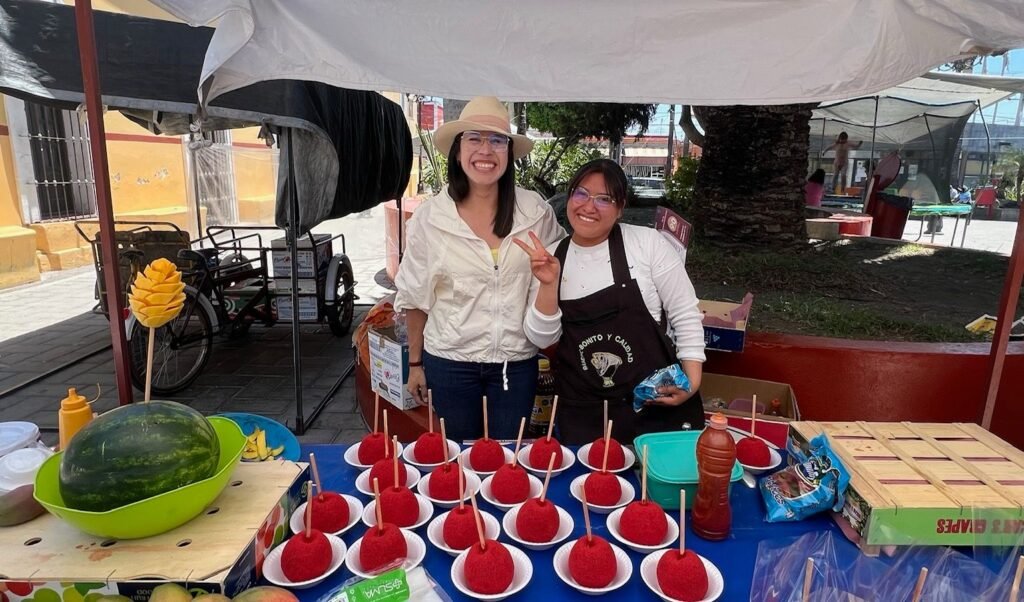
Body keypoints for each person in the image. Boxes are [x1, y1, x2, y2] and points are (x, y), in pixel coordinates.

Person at [393, 96, 565, 441]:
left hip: (515, 365)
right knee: (458, 461)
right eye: (474, 139)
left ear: (509, 153)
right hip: (449, 361)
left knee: (507, 457)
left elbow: (558, 275)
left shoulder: (535, 212)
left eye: (496, 140)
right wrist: (415, 365)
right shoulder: (432, 218)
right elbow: (414, 296)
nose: (485, 150)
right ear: (458, 151)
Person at [515, 159, 706, 444]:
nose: (589, 206)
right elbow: (542, 339)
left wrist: (691, 383)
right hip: (585, 415)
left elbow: (685, 313)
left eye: (604, 199)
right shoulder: (551, 256)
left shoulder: (646, 244)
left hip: (653, 406)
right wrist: (548, 283)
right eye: (581, 193)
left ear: (620, 208)